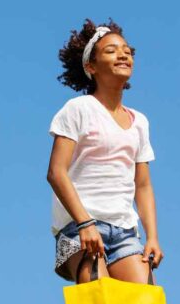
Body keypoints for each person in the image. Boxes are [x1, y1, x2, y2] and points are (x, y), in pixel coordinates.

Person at [47, 19, 164, 284]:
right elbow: (56, 172)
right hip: (79, 227)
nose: (122, 54)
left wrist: (153, 236)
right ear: (91, 67)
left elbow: (143, 185)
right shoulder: (78, 109)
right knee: (97, 303)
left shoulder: (140, 122)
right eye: (111, 50)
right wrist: (84, 224)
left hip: (125, 231)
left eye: (126, 50)